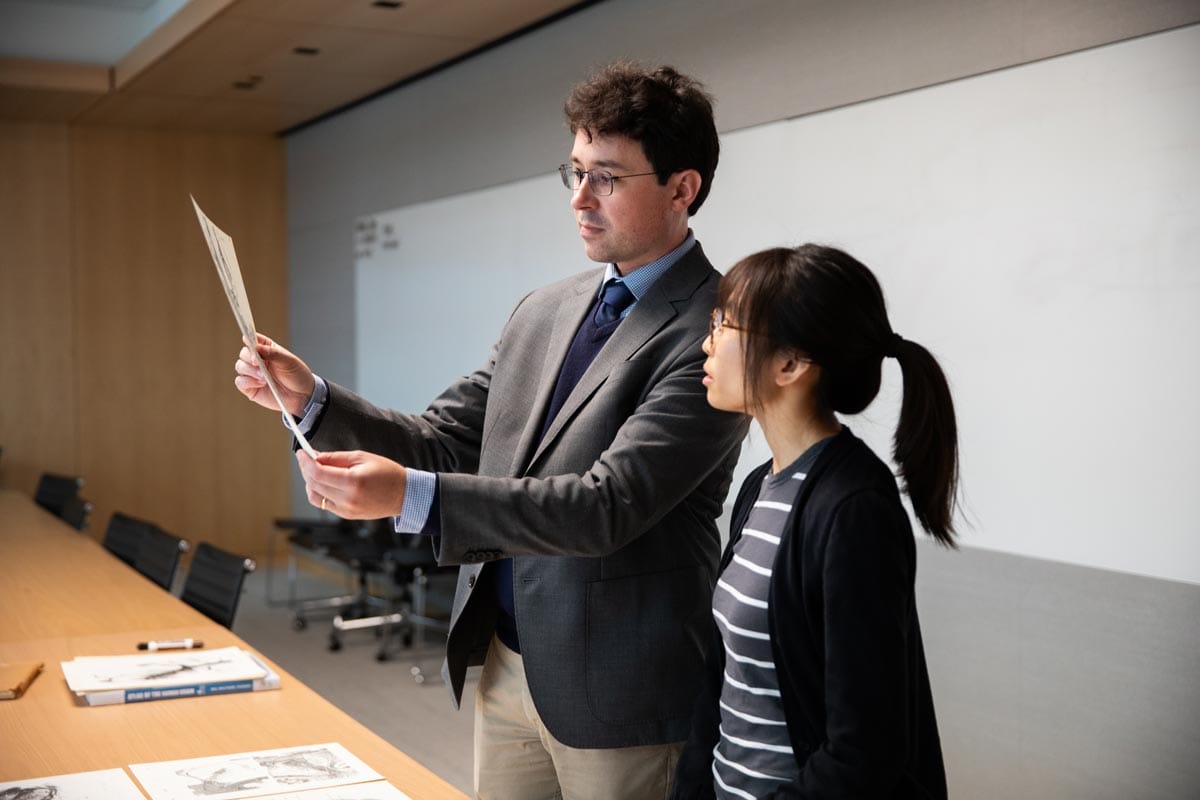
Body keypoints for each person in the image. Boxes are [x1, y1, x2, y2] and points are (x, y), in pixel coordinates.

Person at [234, 62, 749, 799]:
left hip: (623, 688)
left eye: (606, 177)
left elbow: (607, 505)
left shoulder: (718, 328)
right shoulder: (546, 308)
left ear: (682, 188)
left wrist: (418, 499)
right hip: (509, 661)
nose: (579, 199)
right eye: (573, 172)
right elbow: (445, 438)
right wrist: (313, 398)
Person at [671, 244, 955, 799]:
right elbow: (723, 689)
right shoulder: (760, 488)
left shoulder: (854, 511)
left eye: (724, 325)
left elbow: (864, 752)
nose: (706, 342)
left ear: (790, 364)